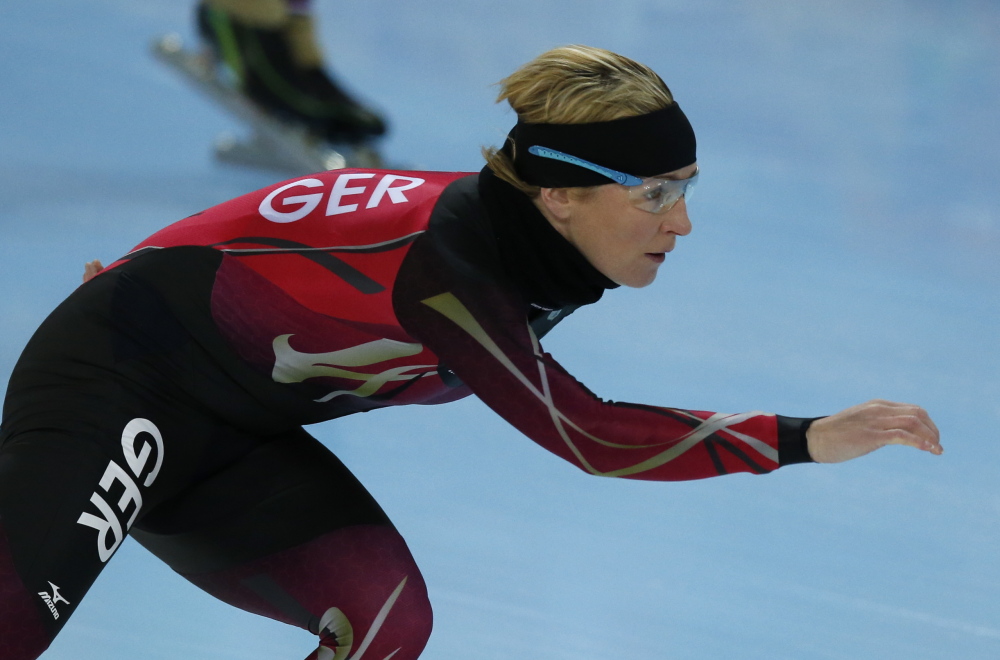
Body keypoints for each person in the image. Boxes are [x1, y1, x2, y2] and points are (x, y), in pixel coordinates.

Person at [0, 45, 941, 660]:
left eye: (687, 188)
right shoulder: (456, 270)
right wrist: (808, 436)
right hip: (122, 384)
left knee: (385, 622)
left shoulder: (528, 241)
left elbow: (254, 232)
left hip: (239, 431)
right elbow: (593, 436)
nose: (683, 221)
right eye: (656, 193)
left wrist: (139, 260)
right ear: (562, 193)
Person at [196, 0, 386, 142]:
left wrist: (307, 56)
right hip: (241, 17)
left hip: (273, 26)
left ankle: (292, 63)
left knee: (345, 114)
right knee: (318, 110)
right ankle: (235, 25)